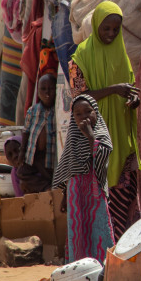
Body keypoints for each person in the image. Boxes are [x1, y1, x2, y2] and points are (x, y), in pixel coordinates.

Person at [68, 2, 141, 239]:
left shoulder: (122, 56)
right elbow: (78, 98)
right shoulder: (80, 57)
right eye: (106, 28)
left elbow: (131, 89)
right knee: (99, 198)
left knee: (125, 197)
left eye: (115, 29)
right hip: (94, 138)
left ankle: (122, 256)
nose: (110, 34)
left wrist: (133, 99)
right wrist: (112, 89)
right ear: (97, 25)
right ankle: (101, 254)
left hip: (122, 137)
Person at [53, 95, 116, 263]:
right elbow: (69, 168)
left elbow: (102, 158)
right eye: (78, 114)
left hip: (95, 190)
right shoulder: (72, 138)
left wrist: (90, 136)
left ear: (96, 112)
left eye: (88, 111)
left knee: (99, 228)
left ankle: (103, 271)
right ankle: (79, 272)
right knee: (77, 230)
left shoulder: (101, 134)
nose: (84, 117)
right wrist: (65, 195)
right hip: (76, 192)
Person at [19, 74, 57, 194]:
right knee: (21, 173)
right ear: (38, 91)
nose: (47, 93)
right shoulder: (33, 110)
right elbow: (26, 131)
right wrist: (22, 150)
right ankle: (46, 187)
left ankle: (49, 189)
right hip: (33, 154)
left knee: (51, 176)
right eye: (43, 89)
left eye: (51, 89)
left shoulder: (58, 111)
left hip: (49, 155)